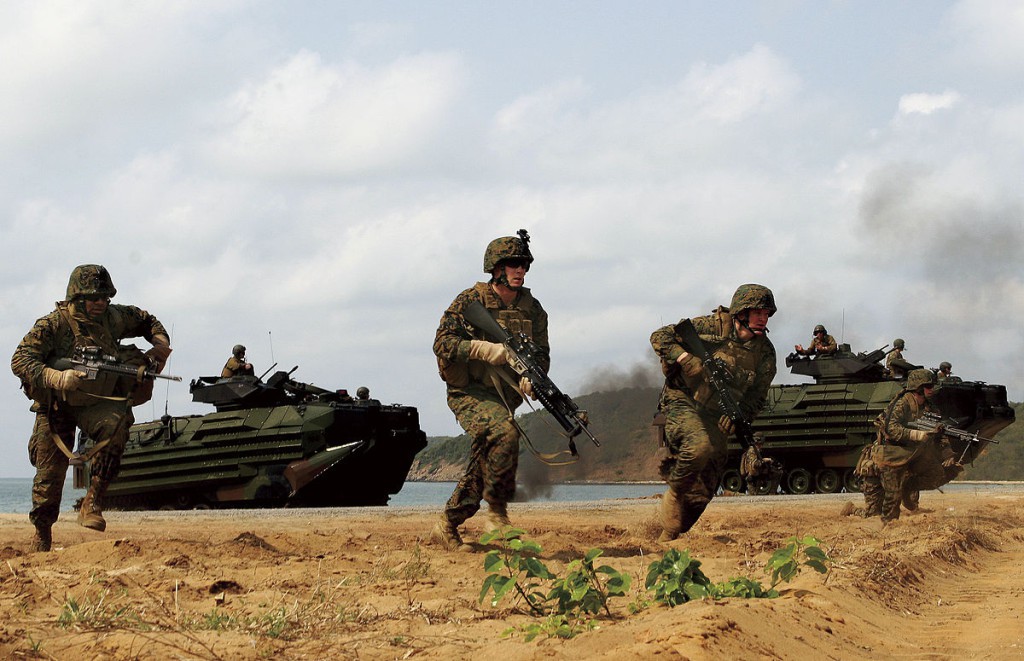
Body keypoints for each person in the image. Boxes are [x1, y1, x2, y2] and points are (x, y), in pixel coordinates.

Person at [11, 265, 171, 552]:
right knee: (48, 477)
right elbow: (20, 360)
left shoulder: (115, 317)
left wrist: (159, 349)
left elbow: (148, 321)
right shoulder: (52, 325)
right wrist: (57, 377)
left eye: (105, 297)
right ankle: (42, 533)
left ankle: (93, 501)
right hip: (56, 405)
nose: (101, 303)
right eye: (94, 298)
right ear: (76, 297)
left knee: (118, 424)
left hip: (95, 403)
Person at [429, 232, 547, 550]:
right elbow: (442, 343)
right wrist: (482, 349)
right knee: (505, 434)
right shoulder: (471, 300)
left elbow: (541, 357)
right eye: (512, 264)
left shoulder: (533, 310)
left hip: (502, 397)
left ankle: (447, 523)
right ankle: (497, 513)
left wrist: (533, 380)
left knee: (483, 464)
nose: (519, 270)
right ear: (496, 268)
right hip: (468, 392)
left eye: (523, 264)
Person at [650, 284, 777, 541]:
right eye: (758, 312)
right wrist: (685, 358)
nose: (763, 318)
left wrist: (738, 416)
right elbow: (660, 336)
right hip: (682, 400)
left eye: (766, 313)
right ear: (741, 312)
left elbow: (757, 397)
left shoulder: (765, 353)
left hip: (713, 414)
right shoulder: (713, 326)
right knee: (700, 447)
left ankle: (668, 533)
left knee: (704, 489)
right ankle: (673, 496)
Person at [872, 368, 961, 523]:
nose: (932, 390)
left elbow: (938, 431)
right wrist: (917, 434)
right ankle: (888, 526)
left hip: (915, 453)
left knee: (937, 473)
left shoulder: (930, 407)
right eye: (928, 386)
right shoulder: (902, 403)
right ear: (918, 387)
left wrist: (947, 451)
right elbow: (890, 429)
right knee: (893, 496)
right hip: (894, 453)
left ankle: (908, 487)